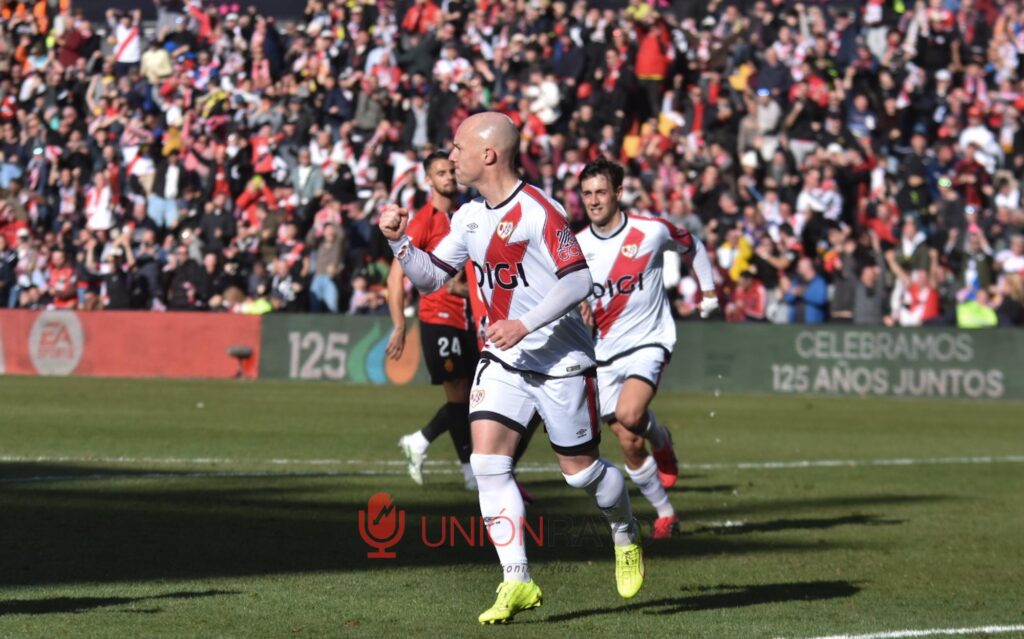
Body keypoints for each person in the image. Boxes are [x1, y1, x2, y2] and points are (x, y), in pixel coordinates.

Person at [379, 112, 643, 624]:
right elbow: (432, 277)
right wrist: (399, 243)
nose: (451, 156)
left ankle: (625, 530)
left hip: (561, 362)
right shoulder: (471, 216)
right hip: (503, 360)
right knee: (487, 466)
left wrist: (524, 323)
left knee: (581, 473)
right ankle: (516, 579)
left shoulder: (539, 210)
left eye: (458, 148)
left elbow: (577, 282)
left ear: (489, 154)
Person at [575, 159, 719, 541]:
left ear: (618, 194)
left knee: (629, 412)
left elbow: (692, 245)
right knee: (627, 437)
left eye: (600, 192)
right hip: (604, 351)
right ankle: (665, 512)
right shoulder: (577, 247)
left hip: (649, 340)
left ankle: (662, 441)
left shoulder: (650, 231)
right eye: (587, 193)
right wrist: (578, 306)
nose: (593, 200)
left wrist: (707, 291)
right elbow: (568, 294)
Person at [386, 151, 476, 490]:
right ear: (428, 180)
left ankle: (420, 442)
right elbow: (395, 279)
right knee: (459, 395)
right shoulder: (423, 220)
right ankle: (470, 473)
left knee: (470, 398)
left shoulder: (466, 216)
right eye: (441, 172)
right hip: (438, 317)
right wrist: (398, 325)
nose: (449, 177)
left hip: (468, 318)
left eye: (452, 170)